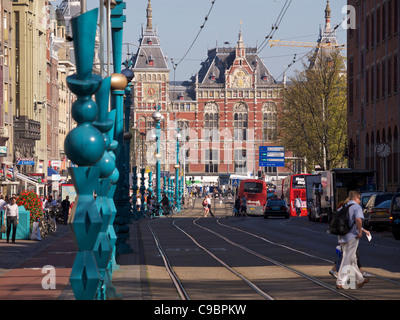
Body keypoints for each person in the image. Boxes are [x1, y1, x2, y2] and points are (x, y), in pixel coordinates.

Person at [336, 190, 370, 289]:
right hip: (352, 236)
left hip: (342, 235)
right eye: (359, 198)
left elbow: (348, 222)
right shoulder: (356, 207)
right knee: (347, 258)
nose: (360, 200)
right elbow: (358, 220)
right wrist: (360, 232)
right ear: (355, 198)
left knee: (353, 258)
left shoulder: (343, 207)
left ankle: (360, 280)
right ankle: (340, 281)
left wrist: (363, 230)